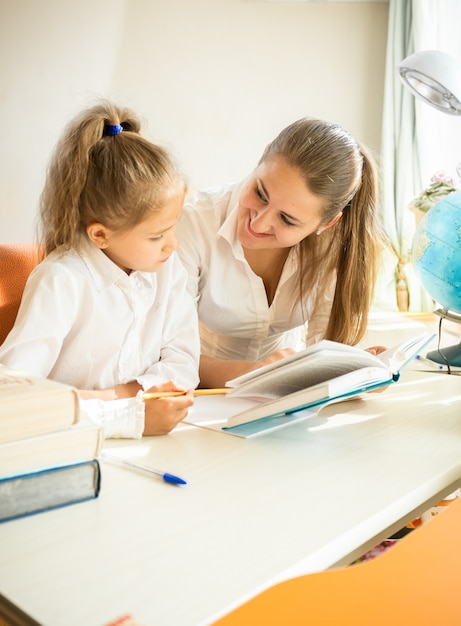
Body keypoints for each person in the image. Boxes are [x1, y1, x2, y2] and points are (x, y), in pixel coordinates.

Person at [0, 101, 200, 438]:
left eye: (173, 227)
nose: (173, 244)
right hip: (66, 443)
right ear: (100, 235)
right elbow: (14, 400)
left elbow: (183, 362)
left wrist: (118, 398)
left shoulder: (167, 267)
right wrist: (125, 410)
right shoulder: (61, 280)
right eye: (157, 235)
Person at [177, 117, 390, 389]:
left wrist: (356, 371)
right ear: (262, 156)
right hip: (198, 395)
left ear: (326, 224)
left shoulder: (334, 244)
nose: (259, 223)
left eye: (287, 220)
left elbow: (327, 349)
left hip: (286, 397)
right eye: (260, 193)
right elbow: (165, 353)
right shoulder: (194, 222)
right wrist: (256, 373)